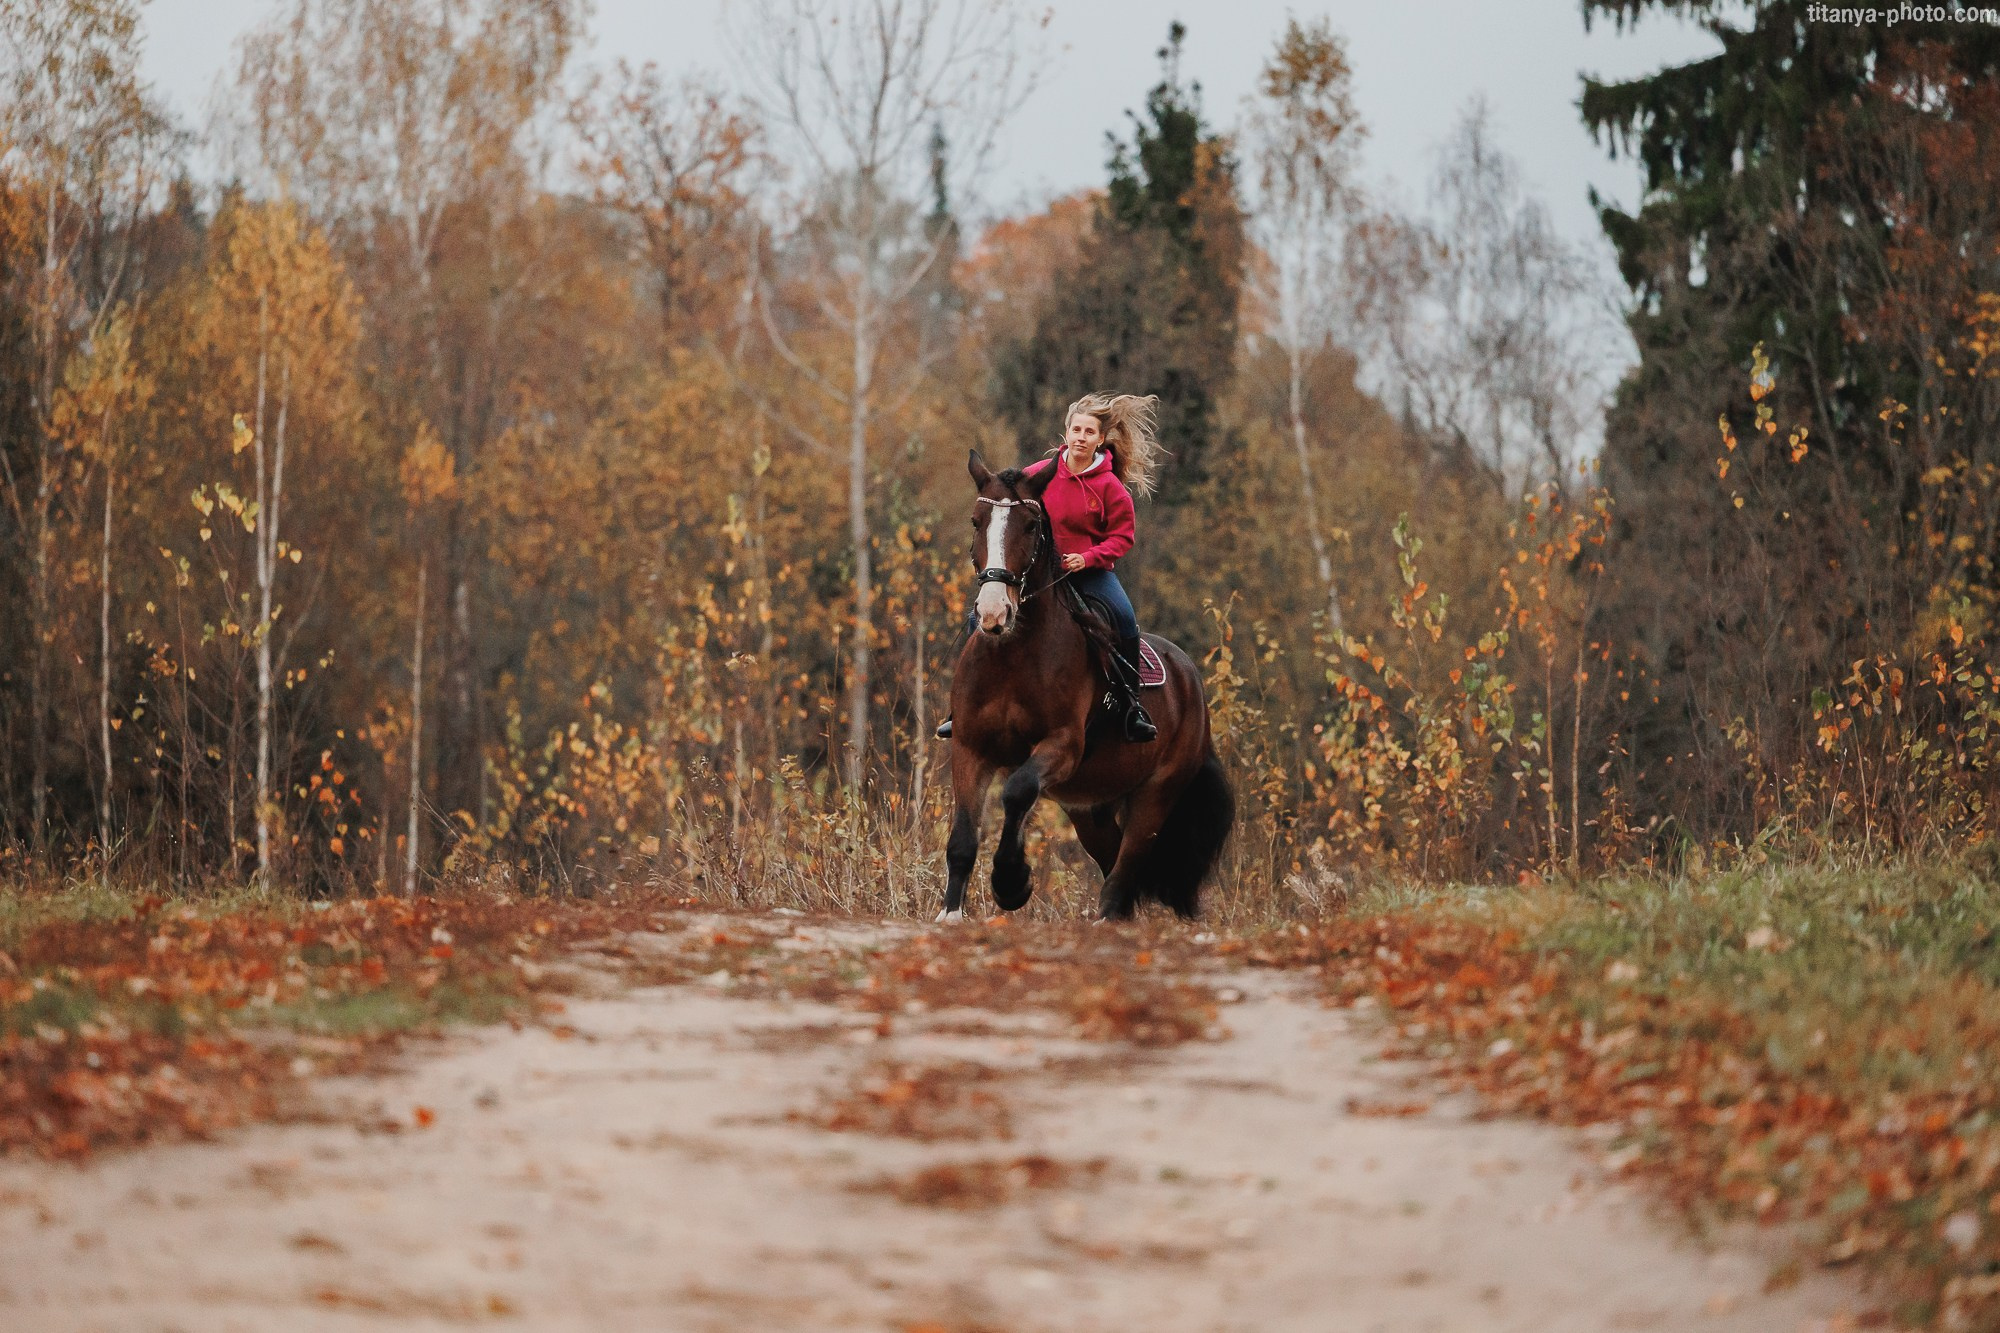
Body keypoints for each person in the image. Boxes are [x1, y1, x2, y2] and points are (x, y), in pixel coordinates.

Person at [937, 392, 1163, 744]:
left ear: (1100, 439)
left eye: (1089, 432)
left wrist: (1087, 558)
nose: (1081, 438)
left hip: (1090, 574)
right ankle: (961, 708)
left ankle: (1131, 706)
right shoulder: (1037, 476)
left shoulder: (1110, 487)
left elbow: (1123, 537)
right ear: (1066, 433)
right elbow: (1005, 500)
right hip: (1039, 574)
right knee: (977, 617)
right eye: (1076, 430)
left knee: (1124, 618)